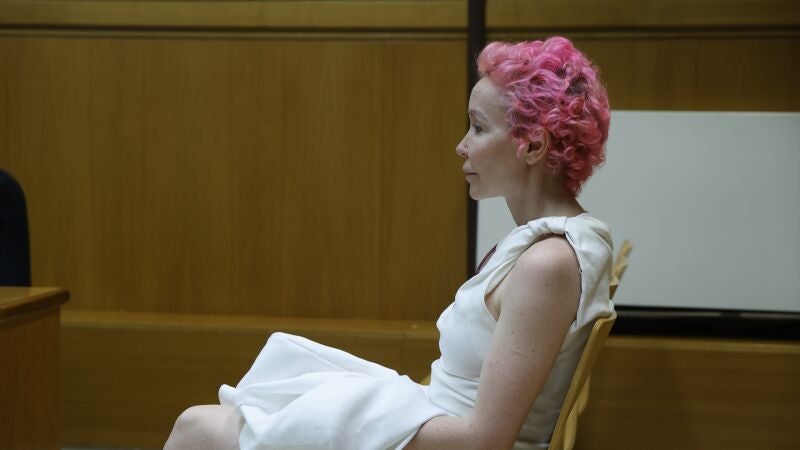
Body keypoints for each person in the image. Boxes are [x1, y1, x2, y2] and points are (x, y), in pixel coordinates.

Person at [164, 36, 613, 450]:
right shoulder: (551, 247)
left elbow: (485, 440)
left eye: (478, 128)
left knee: (197, 428)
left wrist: (346, 426)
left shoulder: (547, 263)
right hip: (438, 419)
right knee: (261, 403)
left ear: (533, 145)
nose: (461, 146)